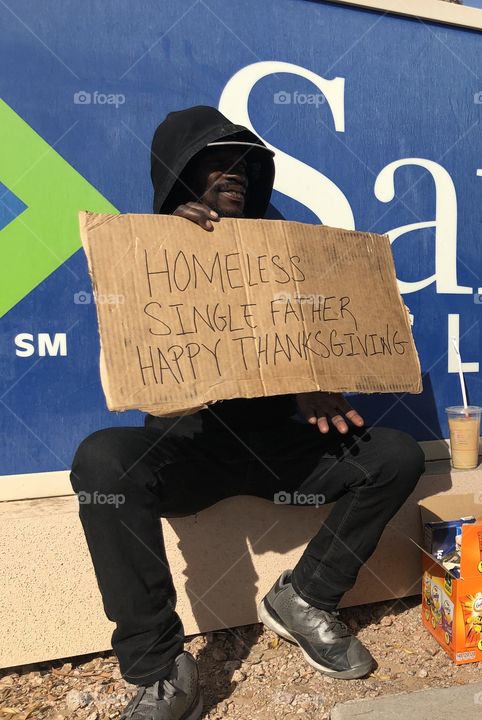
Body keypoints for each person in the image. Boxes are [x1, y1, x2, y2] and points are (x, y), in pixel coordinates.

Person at [70, 106, 425, 720]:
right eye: (214, 162)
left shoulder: (287, 251)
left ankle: (305, 598)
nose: (232, 172)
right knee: (102, 460)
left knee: (395, 454)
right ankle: (159, 669)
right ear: (179, 174)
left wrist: (311, 384)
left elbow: (311, 345)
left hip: (278, 450)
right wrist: (169, 239)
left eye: (242, 163)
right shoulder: (149, 248)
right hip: (190, 448)